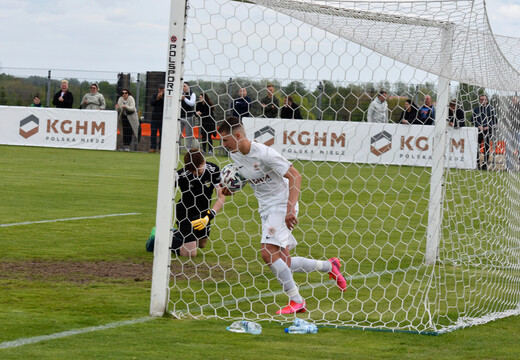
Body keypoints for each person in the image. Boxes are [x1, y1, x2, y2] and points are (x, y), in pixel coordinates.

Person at [215, 116, 347, 315]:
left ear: (239, 135)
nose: (222, 144)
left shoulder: (264, 153)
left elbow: (295, 176)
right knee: (284, 261)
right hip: (265, 208)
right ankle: (329, 266)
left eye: (225, 140)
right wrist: (231, 189)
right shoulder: (235, 156)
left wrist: (290, 209)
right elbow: (249, 178)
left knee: (268, 253)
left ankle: (297, 301)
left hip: (282, 204)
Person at [173, 149, 226, 257]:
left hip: (203, 212)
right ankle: (159, 239)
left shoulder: (213, 170)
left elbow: (221, 196)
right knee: (190, 253)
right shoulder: (182, 175)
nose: (195, 174)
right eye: (192, 171)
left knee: (202, 244)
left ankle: (176, 234)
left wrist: (211, 213)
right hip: (185, 213)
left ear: (204, 162)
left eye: (197, 170)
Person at [471, 94, 496, 170]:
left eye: (484, 99)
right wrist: (478, 126)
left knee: (486, 148)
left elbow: (495, 120)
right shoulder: (476, 109)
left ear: (487, 100)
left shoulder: (491, 109)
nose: (483, 101)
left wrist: (488, 126)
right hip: (478, 131)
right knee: (476, 147)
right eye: (481, 99)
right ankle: (477, 164)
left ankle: (485, 165)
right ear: (479, 100)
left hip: (487, 132)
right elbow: (472, 119)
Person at [149, 84, 165, 153]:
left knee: (162, 134)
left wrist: (161, 98)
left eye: (162, 88)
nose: (161, 90)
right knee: (153, 133)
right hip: (154, 118)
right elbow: (152, 103)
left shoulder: (167, 96)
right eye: (160, 88)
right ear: (158, 89)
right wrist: (157, 98)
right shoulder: (155, 95)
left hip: (163, 118)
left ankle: (161, 148)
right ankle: (153, 147)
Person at [181, 82, 196, 149]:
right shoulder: (180, 93)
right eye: (182, 86)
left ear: (188, 87)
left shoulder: (192, 94)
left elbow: (192, 103)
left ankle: (189, 148)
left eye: (184, 86)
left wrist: (184, 99)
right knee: (178, 133)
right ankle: (177, 147)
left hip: (188, 116)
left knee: (188, 133)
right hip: (180, 116)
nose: (183, 87)